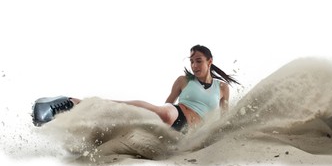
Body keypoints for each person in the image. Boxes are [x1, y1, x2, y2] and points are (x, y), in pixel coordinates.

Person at [32, 45, 240, 132]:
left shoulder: (222, 88)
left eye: (198, 61)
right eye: (192, 61)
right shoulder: (183, 81)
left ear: (210, 61)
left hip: (186, 133)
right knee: (142, 111)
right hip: (175, 115)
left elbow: (225, 118)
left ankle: (78, 118)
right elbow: (168, 103)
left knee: (125, 128)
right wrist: (162, 114)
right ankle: (70, 103)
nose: (194, 65)